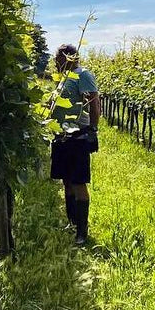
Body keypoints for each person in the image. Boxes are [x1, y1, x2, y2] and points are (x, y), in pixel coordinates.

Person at [50, 44, 101, 244]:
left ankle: (82, 231)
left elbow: (94, 102)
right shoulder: (64, 79)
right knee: (66, 180)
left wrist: (92, 129)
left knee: (78, 181)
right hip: (61, 135)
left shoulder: (83, 74)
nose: (55, 62)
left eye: (58, 58)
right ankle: (71, 221)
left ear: (68, 58)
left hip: (77, 135)